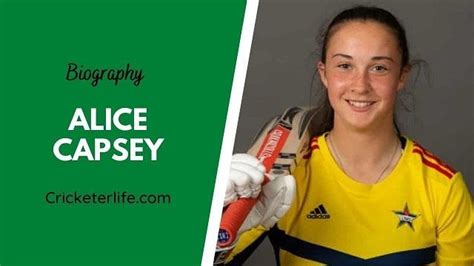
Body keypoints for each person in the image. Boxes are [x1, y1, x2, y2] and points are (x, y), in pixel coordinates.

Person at [220, 5, 473, 265]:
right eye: (344, 65)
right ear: (324, 74)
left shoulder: (443, 187)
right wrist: (217, 228)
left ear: (401, 76)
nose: (360, 85)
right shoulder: (287, 176)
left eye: (379, 68)